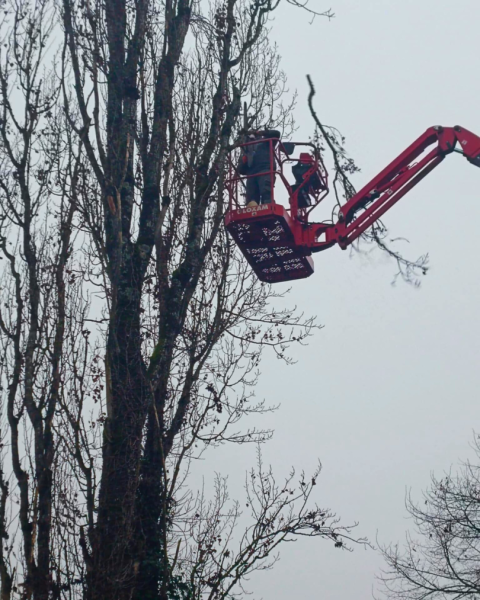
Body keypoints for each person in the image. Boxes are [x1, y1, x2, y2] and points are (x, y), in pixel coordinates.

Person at [237, 129, 281, 207]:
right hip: (251, 175)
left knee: (266, 193)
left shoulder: (266, 141)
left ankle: (268, 207)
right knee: (251, 199)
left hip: (265, 170)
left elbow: (277, 134)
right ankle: (252, 213)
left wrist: (263, 132)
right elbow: (241, 170)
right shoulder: (247, 150)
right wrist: (244, 162)